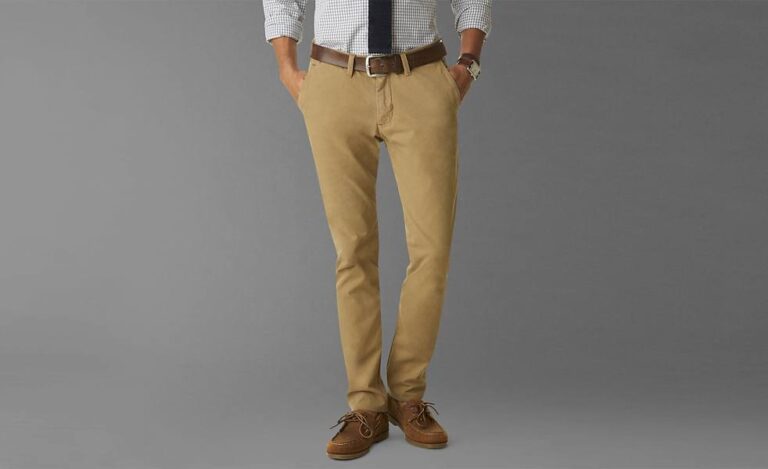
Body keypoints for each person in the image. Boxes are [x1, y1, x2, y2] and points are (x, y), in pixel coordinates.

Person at [263, 0, 491, 460]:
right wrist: (288, 69)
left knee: (433, 250)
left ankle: (407, 395)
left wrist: (468, 63)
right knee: (353, 251)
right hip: (336, 80)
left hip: (421, 78)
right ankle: (366, 405)